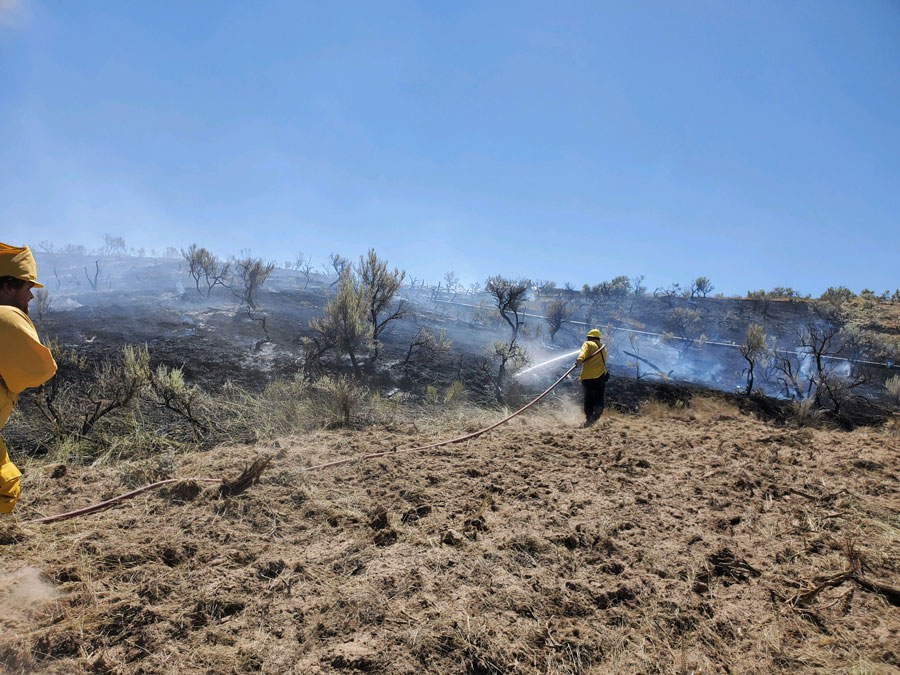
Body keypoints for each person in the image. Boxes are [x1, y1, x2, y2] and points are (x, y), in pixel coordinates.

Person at [0, 242, 57, 514]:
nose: (31, 298)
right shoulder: (5, 316)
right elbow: (40, 369)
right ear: (8, 287)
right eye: (27, 288)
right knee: (4, 489)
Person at [575, 328, 609, 427]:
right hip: (600, 376)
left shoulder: (588, 344)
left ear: (589, 337)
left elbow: (583, 353)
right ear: (598, 338)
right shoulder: (603, 348)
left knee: (588, 397)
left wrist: (579, 360)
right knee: (599, 395)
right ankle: (598, 408)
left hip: (587, 376)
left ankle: (589, 416)